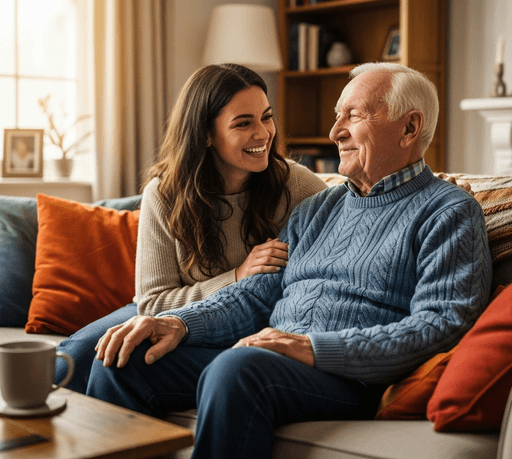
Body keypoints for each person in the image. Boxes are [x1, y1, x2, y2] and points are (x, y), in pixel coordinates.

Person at [87, 62, 492, 459]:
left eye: (353, 115)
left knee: (237, 370)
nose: (335, 132)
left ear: (410, 127)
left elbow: (440, 325)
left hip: (347, 376)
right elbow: (255, 296)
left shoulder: (449, 212)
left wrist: (314, 348)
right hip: (271, 357)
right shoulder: (318, 207)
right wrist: (177, 322)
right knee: (122, 360)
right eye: (338, 116)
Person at [54, 63, 327, 392]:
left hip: (241, 323)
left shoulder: (295, 184)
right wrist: (237, 275)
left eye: (266, 117)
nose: (263, 133)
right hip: (165, 312)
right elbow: (152, 303)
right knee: (68, 362)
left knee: (120, 362)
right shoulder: (164, 194)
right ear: (207, 134)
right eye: (244, 123)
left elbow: (350, 223)